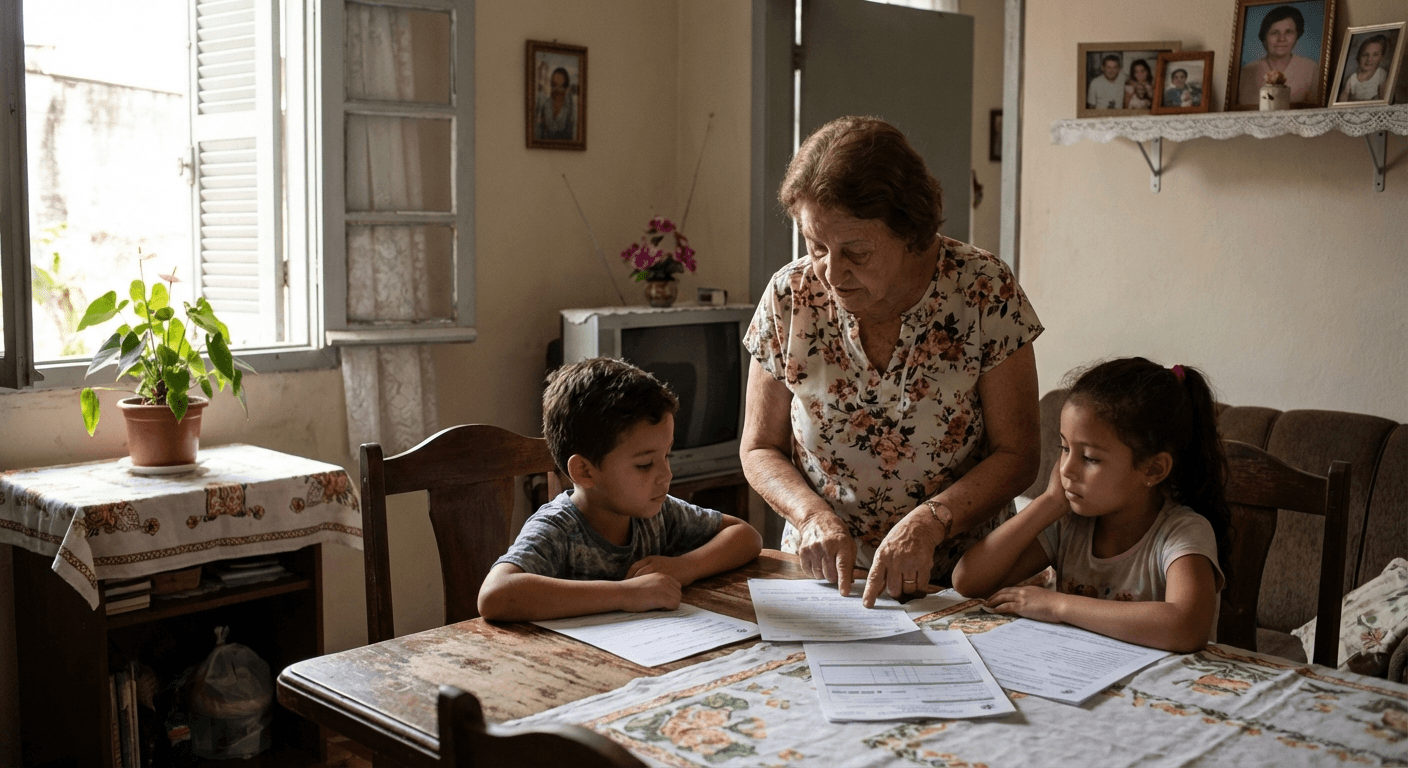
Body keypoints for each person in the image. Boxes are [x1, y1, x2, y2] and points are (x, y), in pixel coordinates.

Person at [742, 116, 1042, 609]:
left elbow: (1019, 454)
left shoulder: (984, 288)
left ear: (909, 231)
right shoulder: (789, 296)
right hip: (825, 577)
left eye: (855, 251)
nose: (832, 273)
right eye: (816, 246)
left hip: (960, 575)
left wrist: (931, 521)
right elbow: (758, 448)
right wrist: (811, 515)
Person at [951, 358, 1230, 653]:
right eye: (1065, 448)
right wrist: (1048, 502)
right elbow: (968, 581)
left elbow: (1186, 627)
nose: (1066, 470)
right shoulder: (1071, 524)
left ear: (1153, 470)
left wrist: (1058, 605)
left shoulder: (1183, 531)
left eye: (1090, 458)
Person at [477, 358, 762, 621]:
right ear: (585, 471)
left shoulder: (658, 514)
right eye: (645, 464)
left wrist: (685, 567)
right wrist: (629, 593)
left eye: (667, 456)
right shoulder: (558, 528)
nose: (666, 474)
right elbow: (495, 595)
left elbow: (746, 537)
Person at [1237, 5, 1319, 105]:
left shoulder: (1311, 68)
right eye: (1275, 33)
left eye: (1289, 32)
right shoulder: (1245, 72)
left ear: (1297, 36)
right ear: (1264, 37)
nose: (1281, 39)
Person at [1342, 35, 1390, 102]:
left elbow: (1383, 99)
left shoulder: (1381, 74)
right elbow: (1343, 100)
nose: (1369, 59)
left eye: (1375, 55)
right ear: (1359, 57)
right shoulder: (1352, 79)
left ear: (1381, 58)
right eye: (1365, 55)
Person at [534, 66, 576, 141]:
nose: (556, 89)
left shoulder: (571, 106)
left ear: (565, 88)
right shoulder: (546, 104)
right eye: (554, 85)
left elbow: (574, 133)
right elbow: (540, 131)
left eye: (560, 86)